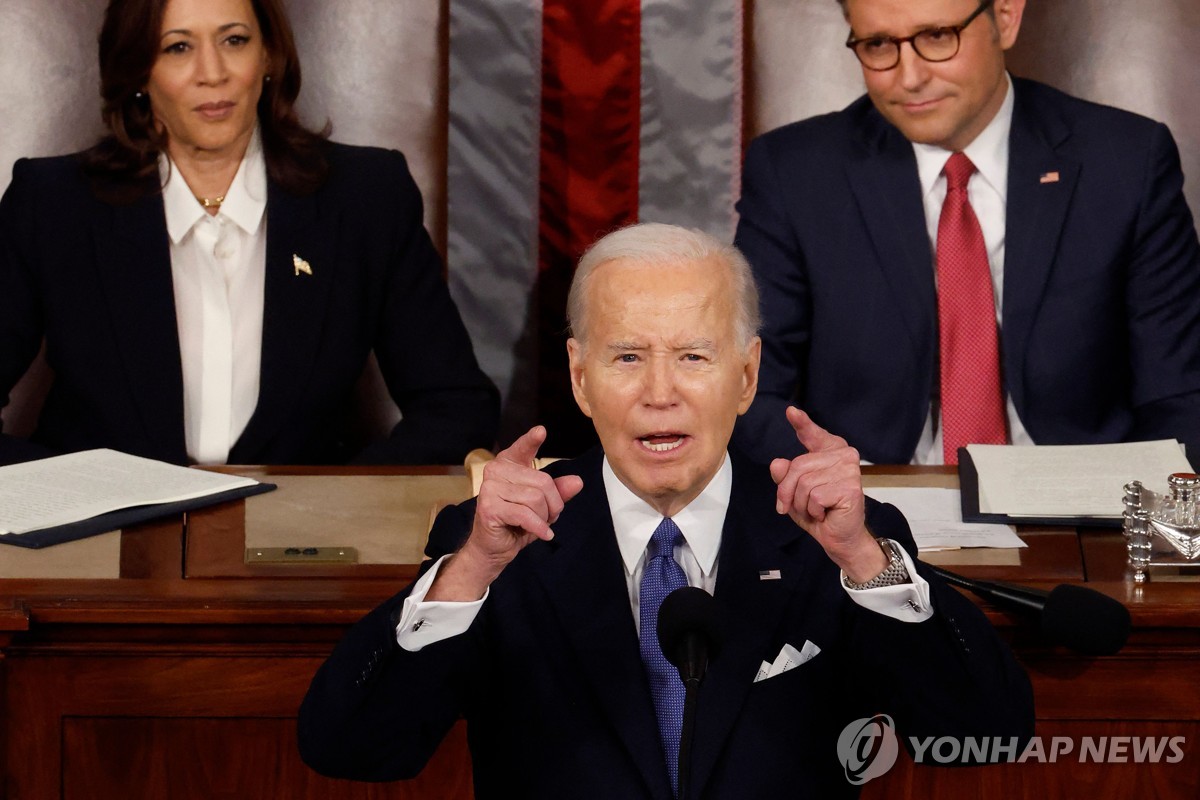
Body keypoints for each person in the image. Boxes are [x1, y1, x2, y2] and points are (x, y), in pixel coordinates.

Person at [297, 223, 1033, 798]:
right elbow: (349, 750)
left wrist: (865, 562)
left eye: (693, 356)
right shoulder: (495, 544)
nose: (660, 392)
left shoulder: (833, 536)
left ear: (746, 377)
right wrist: (470, 573)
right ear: (580, 380)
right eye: (626, 358)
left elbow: (986, 737)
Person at [0, 0, 498, 466]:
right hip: (101, 542)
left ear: (268, 56)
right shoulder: (53, 204)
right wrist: (66, 497)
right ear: (139, 72)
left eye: (234, 40)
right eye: (179, 47)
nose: (212, 73)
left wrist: (336, 504)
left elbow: (455, 407)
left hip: (297, 547)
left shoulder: (366, 197)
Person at [733, 0, 1200, 466]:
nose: (910, 76)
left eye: (938, 37)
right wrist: (829, 486)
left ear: (1005, 18)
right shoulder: (795, 173)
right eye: (878, 45)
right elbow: (748, 389)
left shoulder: (1126, 162)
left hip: (1080, 506)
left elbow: (1179, 392)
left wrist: (1141, 521)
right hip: (868, 500)